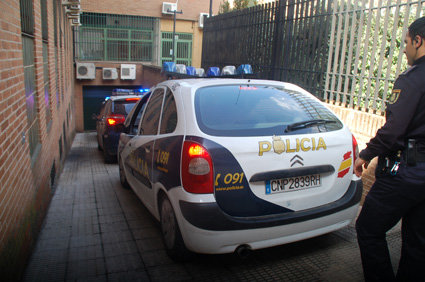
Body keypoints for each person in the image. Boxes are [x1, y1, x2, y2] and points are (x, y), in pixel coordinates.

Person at [354, 16, 425, 281]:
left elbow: (394, 131)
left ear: (418, 40)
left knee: (369, 229)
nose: (405, 49)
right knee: (417, 241)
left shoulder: (413, 79)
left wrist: (365, 154)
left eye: (406, 42)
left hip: (404, 170)